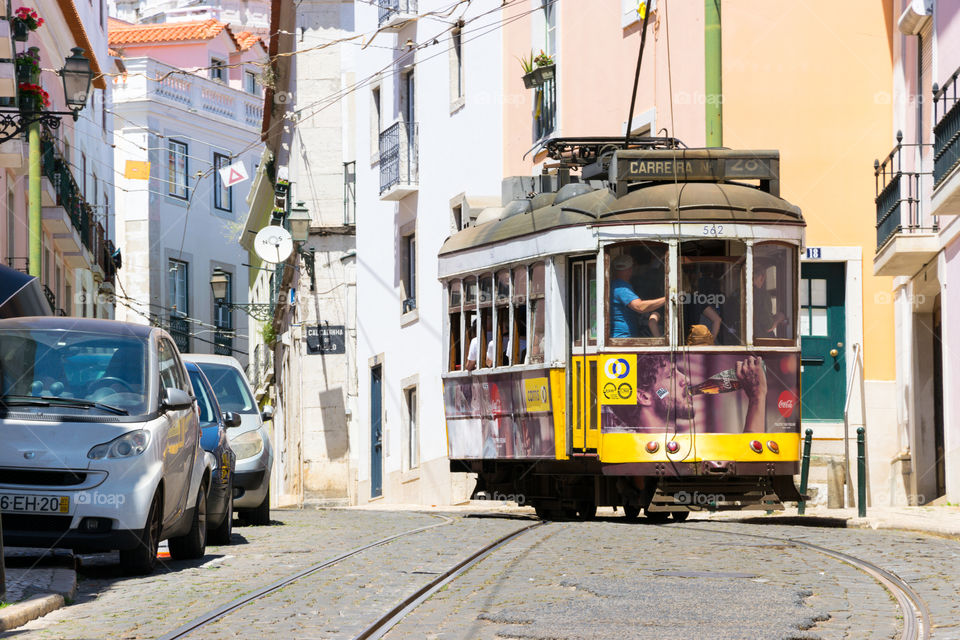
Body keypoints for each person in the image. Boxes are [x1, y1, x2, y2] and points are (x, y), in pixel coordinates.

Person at [602, 354, 768, 433]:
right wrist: (757, 397)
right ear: (644, 396)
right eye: (671, 375)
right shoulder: (630, 449)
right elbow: (751, 461)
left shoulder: (679, 444)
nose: (687, 379)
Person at [609, 254, 666, 338]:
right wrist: (668, 298)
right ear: (630, 269)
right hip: (623, 339)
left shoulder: (615, 285)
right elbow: (639, 307)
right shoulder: (621, 288)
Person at [753, 263, 787, 338]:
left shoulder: (736, 293)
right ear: (761, 278)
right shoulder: (762, 295)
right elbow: (768, 326)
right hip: (758, 341)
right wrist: (779, 317)